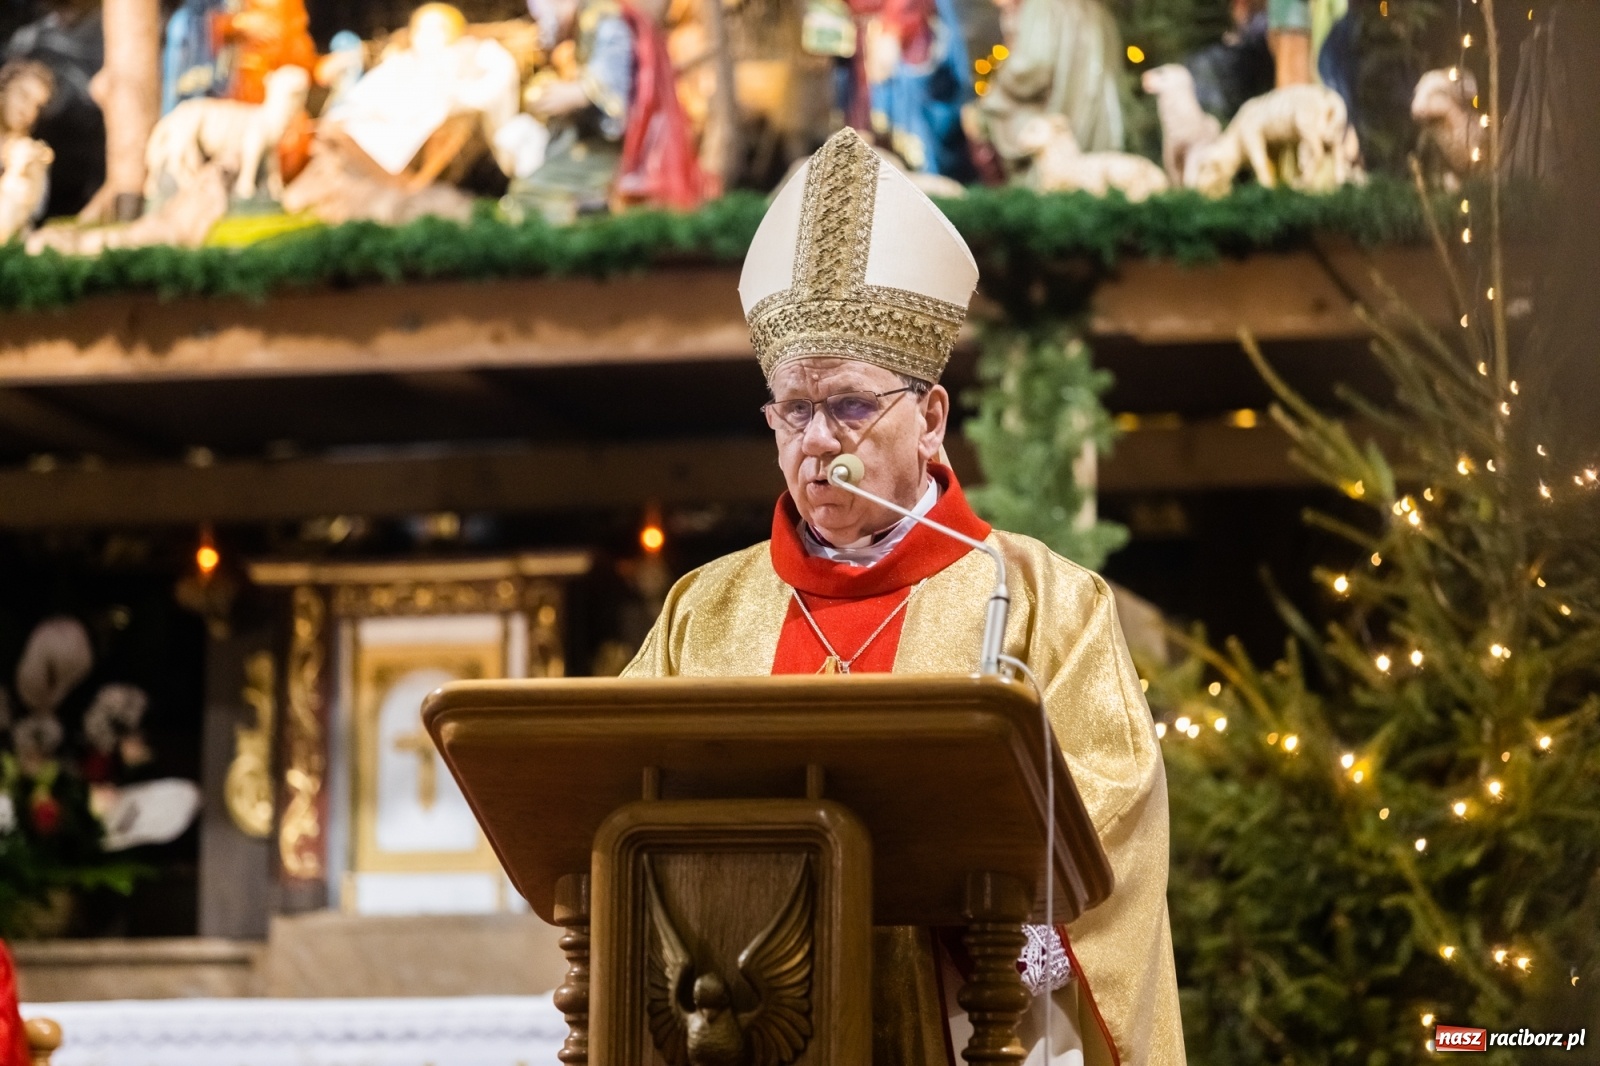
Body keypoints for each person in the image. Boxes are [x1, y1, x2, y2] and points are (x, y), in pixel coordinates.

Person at [622, 126, 1185, 1066]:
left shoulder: (1042, 598)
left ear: (929, 419)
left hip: (976, 1025)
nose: (814, 440)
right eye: (791, 410)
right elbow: (613, 801)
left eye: (846, 404)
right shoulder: (703, 611)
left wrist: (1006, 940)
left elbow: (1111, 810)